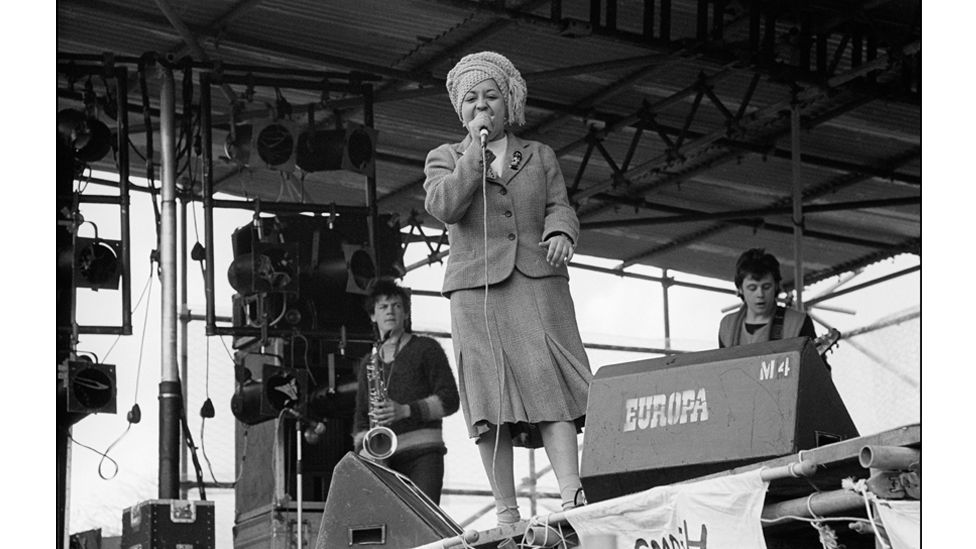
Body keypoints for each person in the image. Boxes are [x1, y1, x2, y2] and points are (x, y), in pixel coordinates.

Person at [423, 51, 593, 525]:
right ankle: (506, 511)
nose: (483, 106)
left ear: (509, 103)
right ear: (461, 109)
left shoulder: (539, 155)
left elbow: (561, 207)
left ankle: (572, 493)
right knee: (488, 402)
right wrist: (474, 157)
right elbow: (444, 206)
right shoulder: (445, 158)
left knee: (549, 385)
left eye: (492, 96)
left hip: (536, 282)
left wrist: (562, 232)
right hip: (475, 293)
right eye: (473, 99)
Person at [351, 278, 460, 505]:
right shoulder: (369, 363)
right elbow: (361, 419)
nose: (390, 311)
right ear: (373, 316)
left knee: (425, 524)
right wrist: (367, 453)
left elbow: (450, 399)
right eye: (382, 307)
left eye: (396, 305)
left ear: (406, 313)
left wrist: (406, 410)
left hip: (424, 454)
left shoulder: (426, 348)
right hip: (384, 460)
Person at [718, 248, 818, 348]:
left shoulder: (797, 323)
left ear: (776, 286)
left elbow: (817, 363)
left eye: (766, 287)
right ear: (740, 289)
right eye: (752, 288)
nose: (760, 294)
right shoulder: (727, 326)